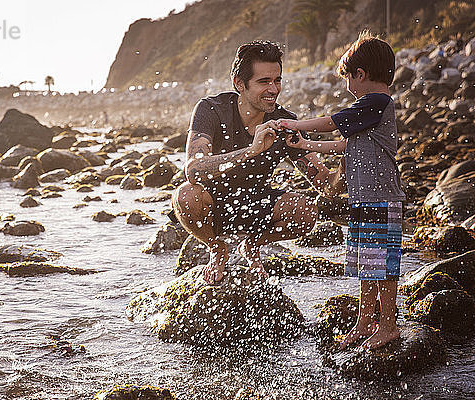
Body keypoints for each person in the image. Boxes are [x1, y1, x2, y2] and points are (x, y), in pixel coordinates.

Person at [172, 40, 344, 285]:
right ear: (239, 83)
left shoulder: (285, 122)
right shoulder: (212, 109)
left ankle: (251, 245)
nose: (273, 89)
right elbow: (194, 170)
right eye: (264, 82)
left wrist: (348, 162)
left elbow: (326, 186)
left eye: (277, 80)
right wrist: (250, 151)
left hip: (257, 204)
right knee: (186, 196)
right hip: (213, 203)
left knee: (306, 210)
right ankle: (216, 247)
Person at [275, 31, 406, 351]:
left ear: (360, 75)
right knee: (367, 262)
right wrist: (306, 145)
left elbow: (333, 122)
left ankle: (388, 325)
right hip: (364, 197)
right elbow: (346, 144)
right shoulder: (370, 108)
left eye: (349, 78)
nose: (348, 86)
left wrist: (295, 125)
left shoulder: (376, 102)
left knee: (383, 267)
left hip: (381, 197)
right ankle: (365, 322)